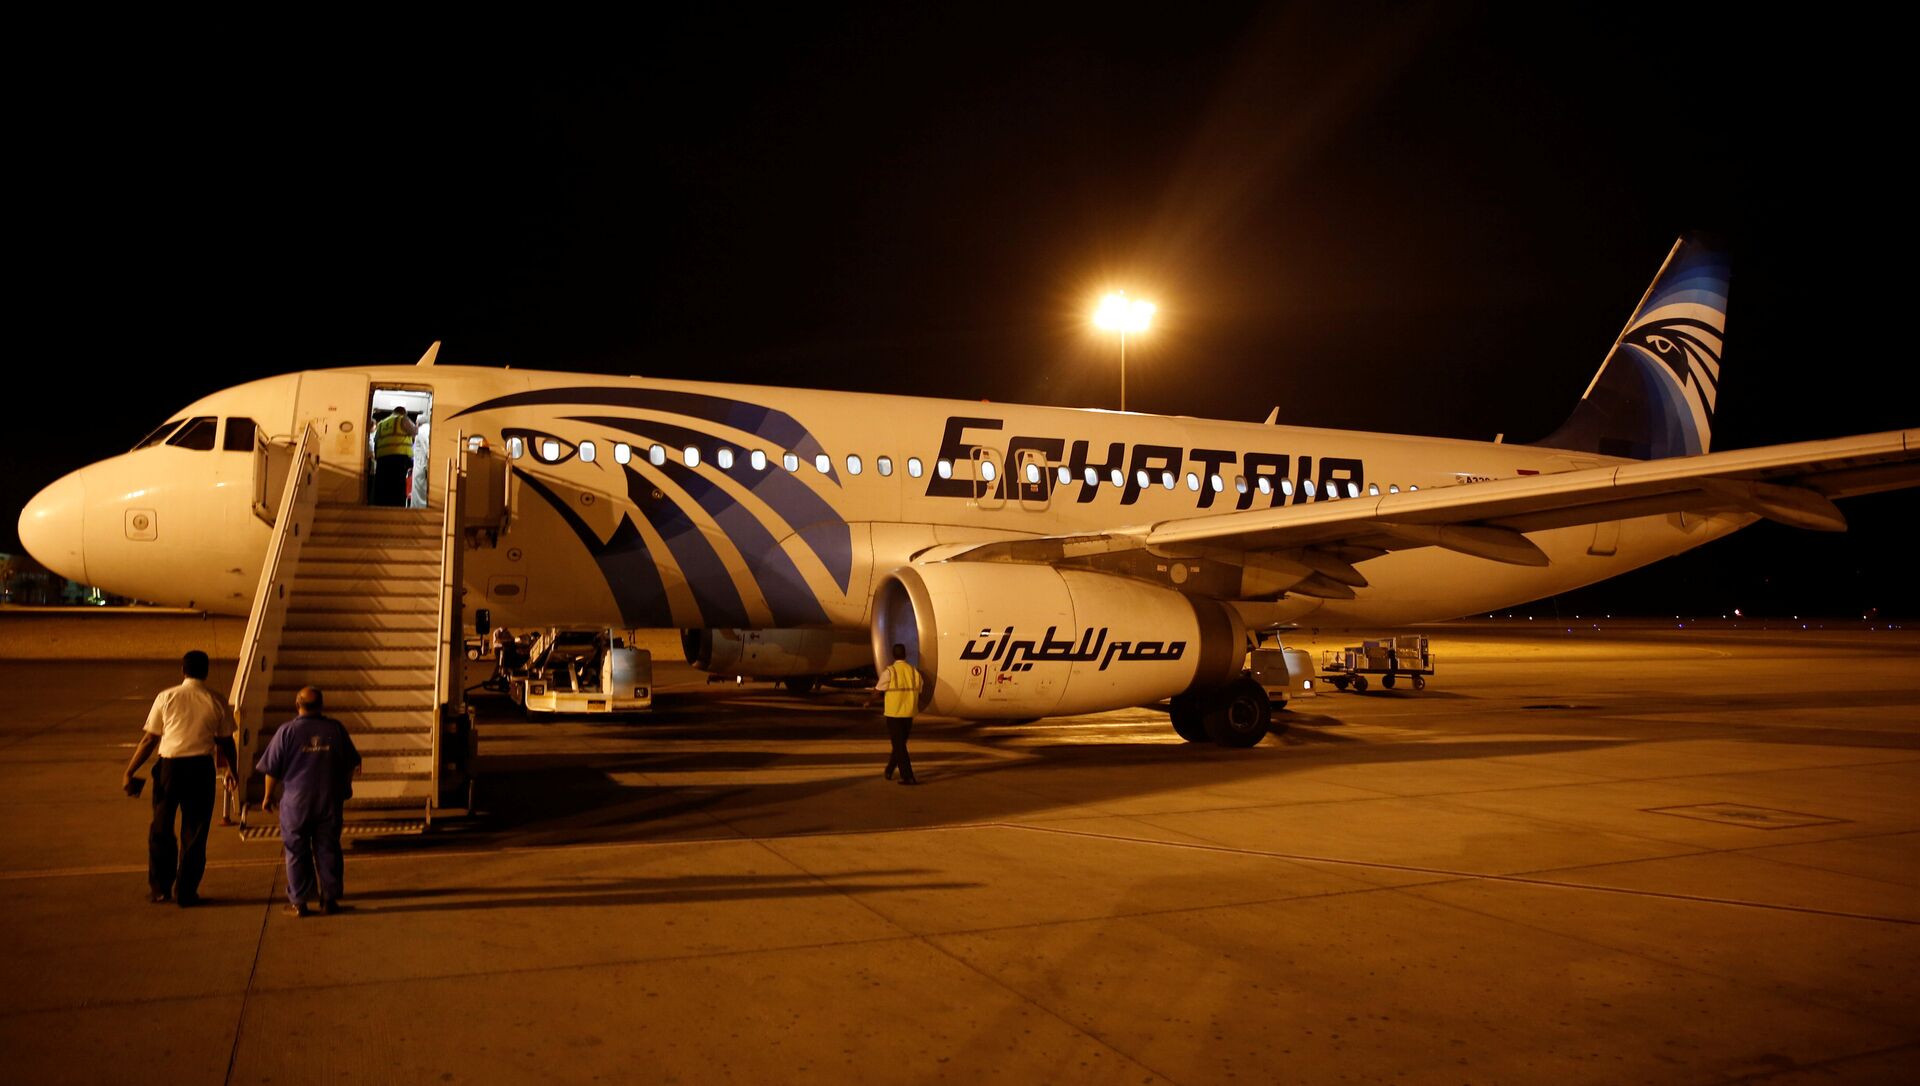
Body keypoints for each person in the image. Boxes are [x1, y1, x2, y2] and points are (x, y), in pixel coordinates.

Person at [123, 650, 237, 906]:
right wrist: (233, 769)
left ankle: (160, 888)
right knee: (195, 832)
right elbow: (226, 742)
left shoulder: (166, 697)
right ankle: (186, 892)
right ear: (206, 672)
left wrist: (130, 771)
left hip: (170, 768)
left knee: (161, 827)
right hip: (200, 769)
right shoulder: (217, 700)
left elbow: (150, 739)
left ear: (182, 671)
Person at [255, 687, 362, 917]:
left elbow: (272, 769)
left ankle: (300, 902)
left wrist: (267, 796)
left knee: (296, 851)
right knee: (328, 849)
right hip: (328, 800)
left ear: (297, 705)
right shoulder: (335, 729)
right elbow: (350, 763)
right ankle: (329, 900)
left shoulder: (286, 732)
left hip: (296, 803)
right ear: (321, 705)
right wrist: (346, 787)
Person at [868, 643, 924, 785]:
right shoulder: (914, 672)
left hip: (894, 714)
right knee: (900, 745)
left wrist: (869, 701)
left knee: (899, 746)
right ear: (905, 655)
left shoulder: (890, 672)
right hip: (909, 713)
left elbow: (878, 690)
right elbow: (920, 689)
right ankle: (889, 769)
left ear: (893, 655)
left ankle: (908, 776)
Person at [371, 405, 418, 507]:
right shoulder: (402, 419)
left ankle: (381, 505)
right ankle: (397, 506)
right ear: (403, 413)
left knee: (383, 484)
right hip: (398, 458)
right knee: (397, 484)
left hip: (382, 458)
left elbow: (376, 440)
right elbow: (415, 431)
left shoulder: (382, 423)